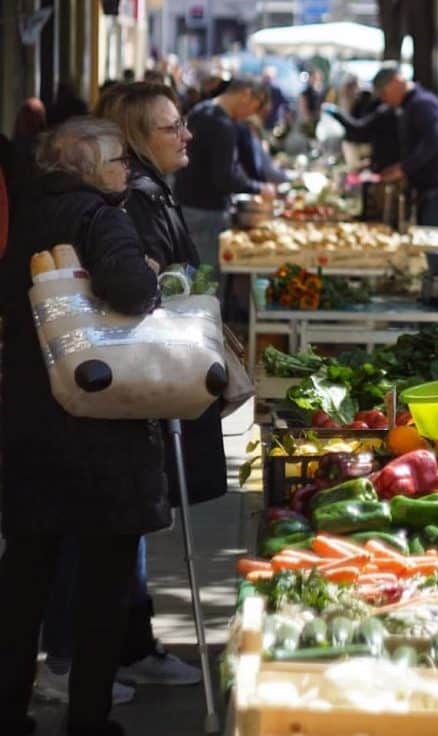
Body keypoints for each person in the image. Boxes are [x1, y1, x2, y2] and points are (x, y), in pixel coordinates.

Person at [37, 84, 209, 705]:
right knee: (100, 538)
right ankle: (80, 670)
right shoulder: (116, 208)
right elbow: (132, 291)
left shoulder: (115, 199)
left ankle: (119, 652)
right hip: (104, 389)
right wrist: (164, 284)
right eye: (170, 128)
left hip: (87, 393)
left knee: (96, 535)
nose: (184, 136)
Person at [0, 116, 167, 736]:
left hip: (30, 414)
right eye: (120, 159)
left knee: (25, 576)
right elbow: (129, 291)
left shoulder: (28, 210)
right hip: (99, 418)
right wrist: (148, 274)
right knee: (103, 583)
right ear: (91, 168)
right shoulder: (101, 216)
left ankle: (8, 710)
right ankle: (88, 718)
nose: (127, 169)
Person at [174, 77, 275, 272]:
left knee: (192, 273)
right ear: (246, 94)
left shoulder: (201, 109)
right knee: (206, 278)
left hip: (187, 204)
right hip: (206, 212)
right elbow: (225, 176)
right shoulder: (221, 123)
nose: (250, 115)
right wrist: (258, 187)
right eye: (255, 107)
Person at [371, 64, 438, 226]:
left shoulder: (422, 104)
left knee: (435, 242)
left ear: (397, 82)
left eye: (384, 93)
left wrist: (403, 168)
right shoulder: (412, 104)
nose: (383, 100)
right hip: (432, 187)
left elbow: (434, 142)